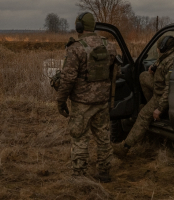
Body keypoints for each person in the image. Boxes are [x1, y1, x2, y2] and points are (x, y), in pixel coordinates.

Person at [56, 12, 117, 183]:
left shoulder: (75, 48)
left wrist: (61, 100)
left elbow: (67, 78)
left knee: (80, 138)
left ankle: (80, 175)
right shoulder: (110, 46)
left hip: (82, 103)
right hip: (102, 102)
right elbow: (113, 73)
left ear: (79, 27)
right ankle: (104, 172)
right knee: (103, 138)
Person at [113, 35, 174, 157]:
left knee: (142, 116)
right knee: (143, 76)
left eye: (158, 47)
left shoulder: (171, 62)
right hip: (159, 88)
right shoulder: (166, 56)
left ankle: (125, 147)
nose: (157, 50)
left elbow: (169, 89)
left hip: (163, 95)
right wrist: (153, 68)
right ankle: (151, 105)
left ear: (163, 47)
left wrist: (159, 108)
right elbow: (159, 64)